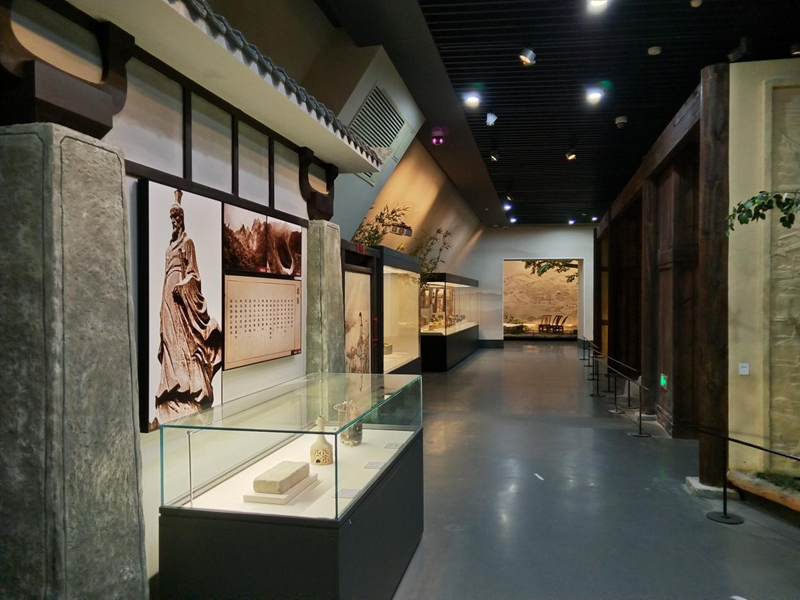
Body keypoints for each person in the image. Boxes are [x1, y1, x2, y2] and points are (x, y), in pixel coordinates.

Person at [154, 189, 222, 426]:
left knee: (184, 344)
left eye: (177, 217)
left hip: (182, 301)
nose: (174, 221)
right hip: (168, 302)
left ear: (182, 219)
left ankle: (188, 386)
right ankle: (171, 388)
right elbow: (165, 276)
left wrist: (182, 287)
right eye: (171, 218)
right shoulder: (168, 249)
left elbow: (194, 274)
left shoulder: (187, 243)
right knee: (169, 342)